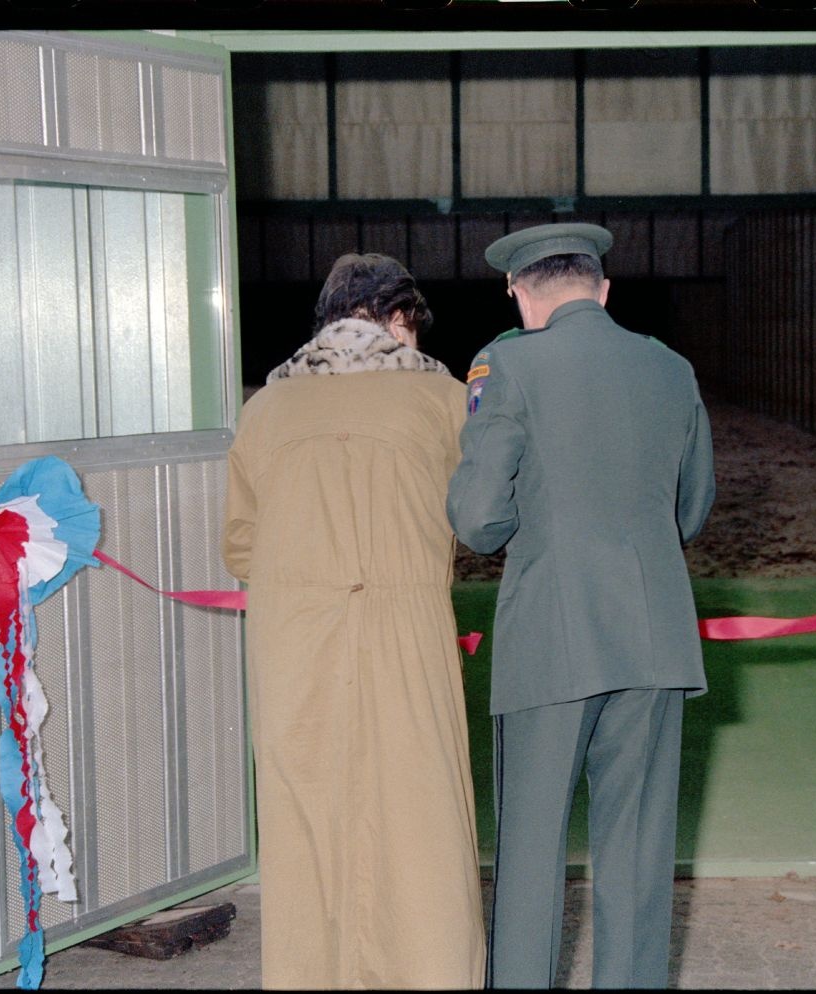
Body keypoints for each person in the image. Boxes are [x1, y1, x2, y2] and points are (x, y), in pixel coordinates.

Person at [447, 223, 716, 989]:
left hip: (552, 641)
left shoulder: (510, 365)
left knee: (532, 853)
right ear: (603, 289)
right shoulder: (670, 367)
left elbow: (479, 520)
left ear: (516, 290)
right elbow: (690, 510)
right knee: (637, 852)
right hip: (656, 639)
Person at [222, 253, 484, 989]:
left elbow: (239, 542)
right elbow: (478, 514)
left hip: (294, 639)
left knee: (307, 828)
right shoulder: (444, 399)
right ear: (398, 318)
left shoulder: (265, 407)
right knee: (420, 820)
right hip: (405, 633)